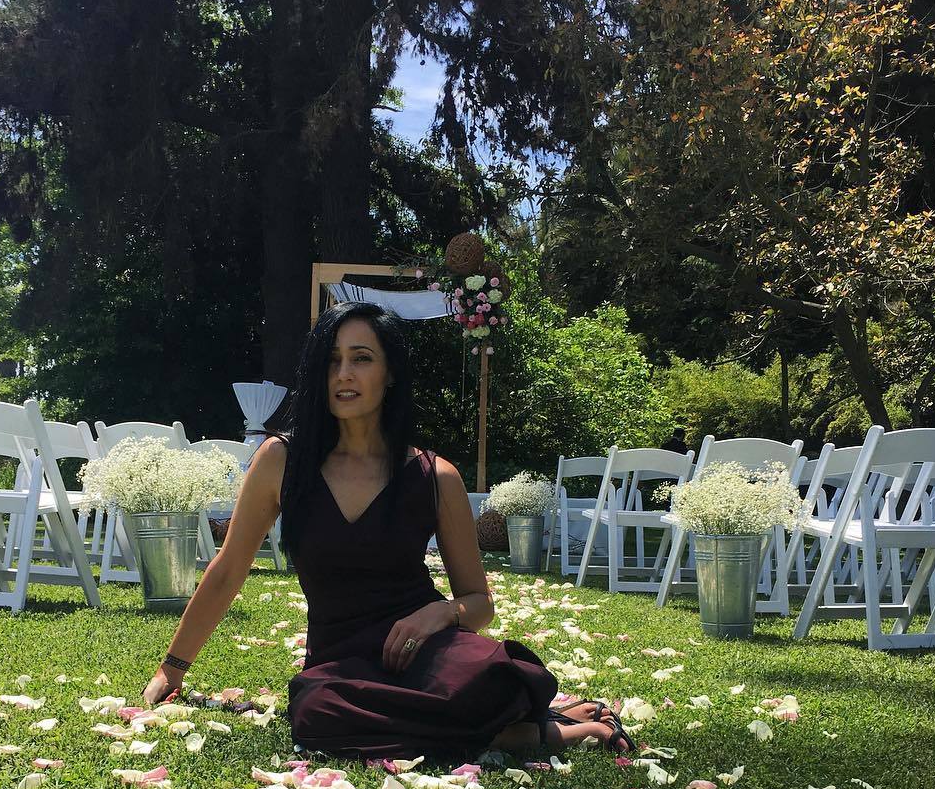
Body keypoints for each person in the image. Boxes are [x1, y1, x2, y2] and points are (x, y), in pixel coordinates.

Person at [141, 302, 633, 761]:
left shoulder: (435, 476)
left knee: (491, 678)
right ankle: (535, 732)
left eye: (361, 358)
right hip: (340, 663)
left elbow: (479, 602)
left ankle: (520, 724)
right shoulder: (281, 461)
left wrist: (437, 614)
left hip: (427, 649)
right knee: (317, 716)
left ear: (390, 372)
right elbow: (229, 569)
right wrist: (173, 667)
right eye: (332, 361)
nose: (344, 374)